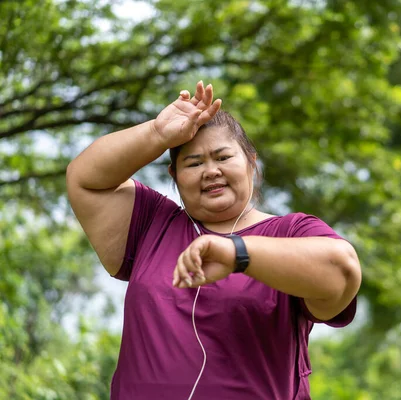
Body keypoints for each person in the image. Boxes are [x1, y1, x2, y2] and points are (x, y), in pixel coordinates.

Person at [66, 80, 362, 399]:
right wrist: (157, 133)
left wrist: (237, 253)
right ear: (175, 178)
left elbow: (342, 271)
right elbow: (85, 179)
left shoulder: (290, 233)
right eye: (193, 163)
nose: (210, 171)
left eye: (222, 158)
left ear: (252, 163)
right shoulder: (151, 224)